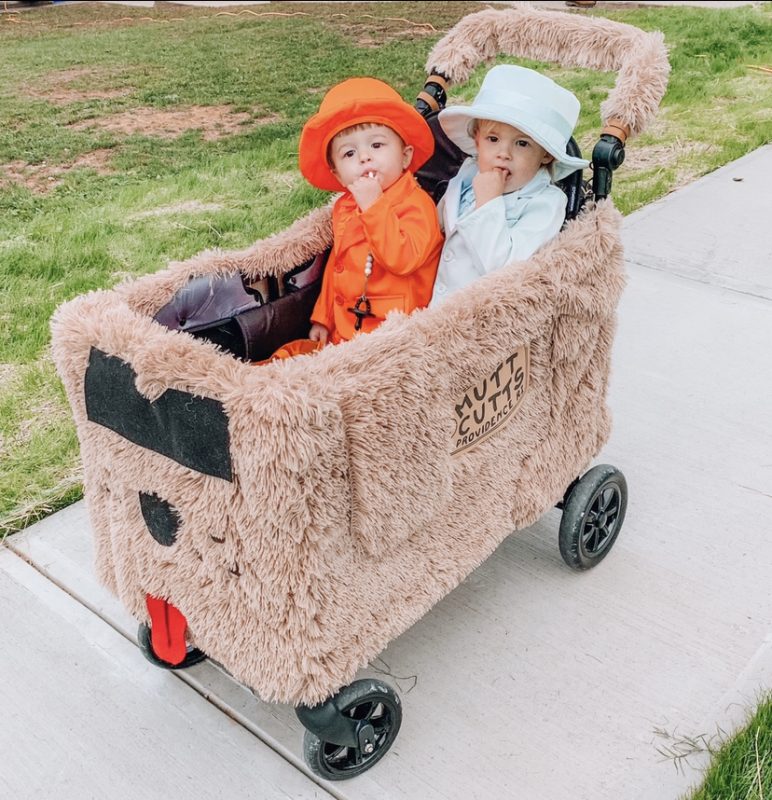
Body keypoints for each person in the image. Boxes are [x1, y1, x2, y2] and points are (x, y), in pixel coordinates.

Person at [298, 77, 443, 344]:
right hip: (347, 327)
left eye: (376, 145)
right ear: (338, 175)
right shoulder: (346, 205)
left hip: (394, 332)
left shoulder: (418, 204)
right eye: (349, 153)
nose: (364, 157)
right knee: (291, 358)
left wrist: (375, 206)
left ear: (405, 156)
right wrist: (324, 317)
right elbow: (337, 265)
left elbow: (403, 259)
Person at [429, 64, 589, 306]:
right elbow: (439, 223)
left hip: (486, 324)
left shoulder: (545, 203)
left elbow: (505, 270)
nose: (503, 153)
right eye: (493, 139)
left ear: (546, 154)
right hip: (432, 308)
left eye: (522, 144)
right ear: (477, 141)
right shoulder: (468, 173)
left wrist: (489, 204)